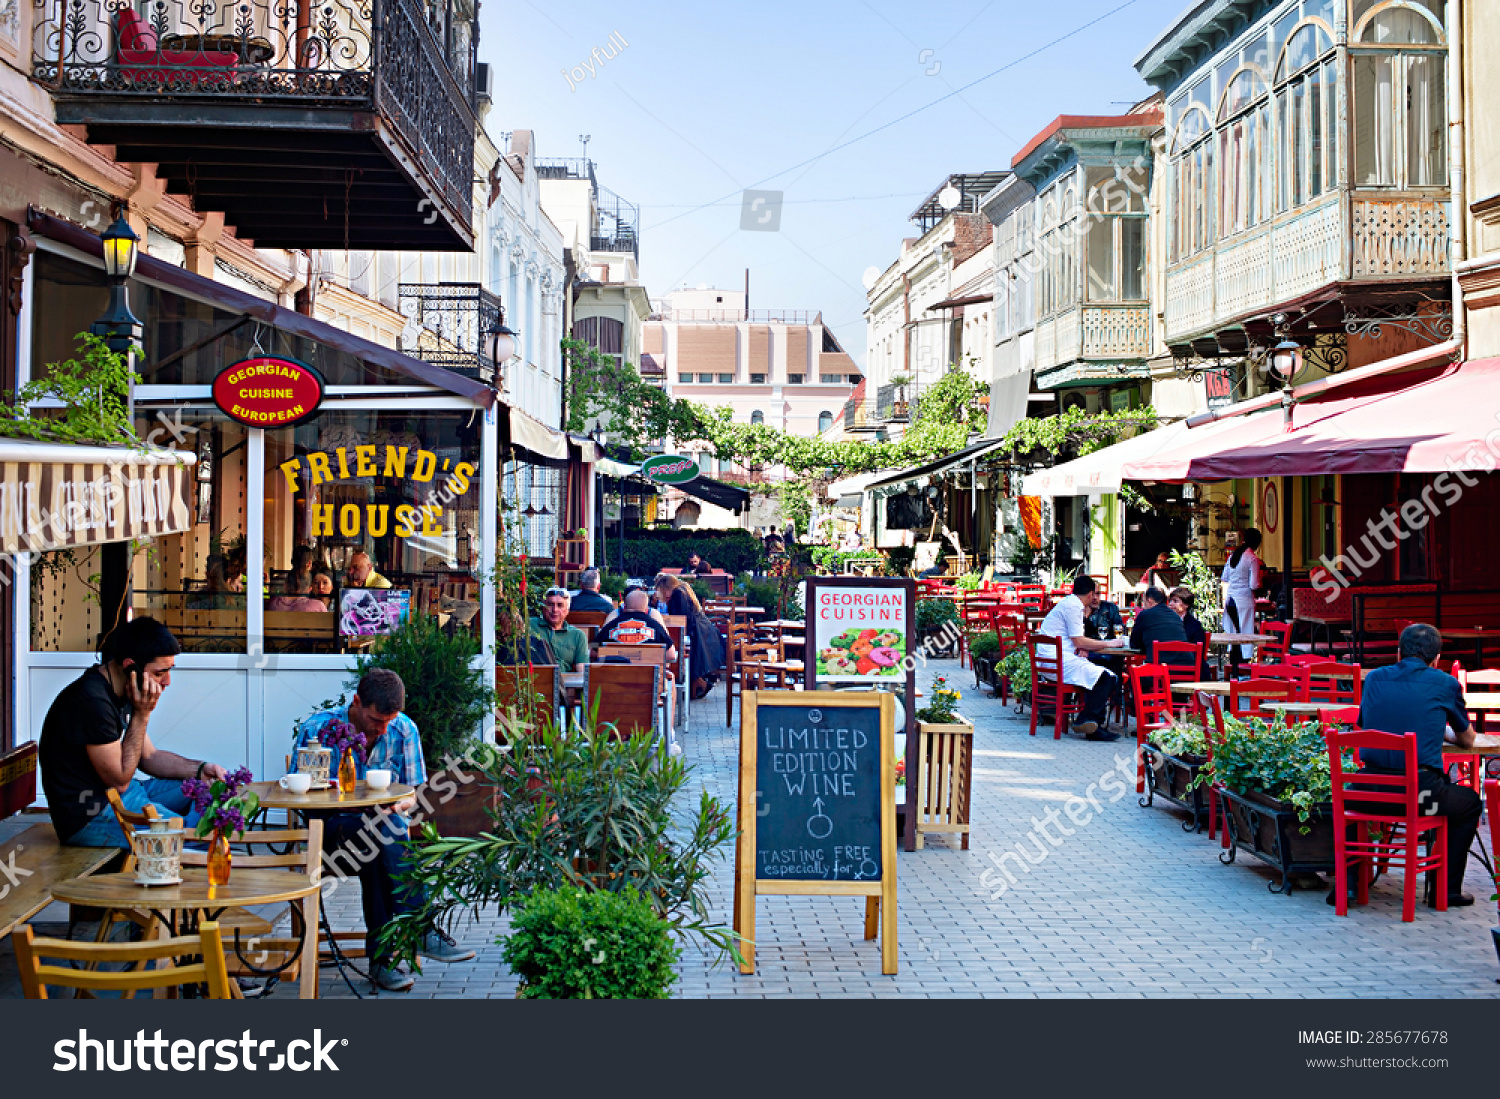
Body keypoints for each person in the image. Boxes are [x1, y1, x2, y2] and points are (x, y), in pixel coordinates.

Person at [293, 669, 476, 991]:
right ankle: (416, 929)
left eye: (390, 720)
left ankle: (385, 962)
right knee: (383, 835)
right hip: (331, 838)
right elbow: (302, 799)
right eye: (377, 720)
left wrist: (397, 806)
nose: (384, 728)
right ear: (357, 702)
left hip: (376, 842)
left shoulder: (404, 730)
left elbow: (413, 795)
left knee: (380, 840)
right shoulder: (318, 729)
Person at [39, 617, 228, 847]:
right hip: (92, 816)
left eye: (170, 671)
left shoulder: (123, 689)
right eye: (160, 673)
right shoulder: (92, 702)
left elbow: (149, 757)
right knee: (201, 834)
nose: (167, 681)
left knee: (211, 791)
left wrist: (200, 770)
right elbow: (119, 781)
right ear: (130, 667)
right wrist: (142, 715)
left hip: (126, 795)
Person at [1353, 623, 1481, 908]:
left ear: (1398, 653)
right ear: (1437, 659)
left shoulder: (1373, 679)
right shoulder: (1445, 683)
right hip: (1419, 799)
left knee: (1440, 794)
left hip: (1366, 794)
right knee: (1468, 803)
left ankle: (1351, 886)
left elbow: (1366, 725)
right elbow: (1468, 740)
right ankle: (1445, 890)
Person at [1036, 575, 1127, 741]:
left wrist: (1081, 646)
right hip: (1057, 662)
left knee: (1098, 675)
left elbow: (1073, 639)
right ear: (1091, 593)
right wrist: (1110, 644)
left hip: (1052, 660)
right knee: (1107, 677)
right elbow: (1078, 639)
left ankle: (1087, 720)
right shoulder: (1074, 607)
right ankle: (1090, 723)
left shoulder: (1068, 603)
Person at [655, 572, 725, 700]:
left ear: (666, 588)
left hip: (696, 632)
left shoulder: (678, 594)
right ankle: (699, 686)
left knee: (687, 658)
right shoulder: (683, 589)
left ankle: (700, 685)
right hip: (703, 630)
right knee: (689, 660)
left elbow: (681, 618)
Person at [598, 589, 679, 664]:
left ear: (624, 607)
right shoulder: (656, 626)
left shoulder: (611, 625)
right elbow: (671, 655)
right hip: (648, 677)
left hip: (615, 676)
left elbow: (593, 652)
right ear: (647, 609)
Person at [1220, 528, 1262, 662]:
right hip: (1244, 600)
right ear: (1257, 543)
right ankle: (1242, 669)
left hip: (1231, 600)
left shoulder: (1233, 556)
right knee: (1244, 636)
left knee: (1233, 636)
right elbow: (1254, 584)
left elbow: (1224, 577)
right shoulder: (1252, 558)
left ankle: (1233, 668)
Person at [529, 587, 589, 672]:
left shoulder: (577, 635)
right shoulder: (529, 625)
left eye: (560, 605)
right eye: (550, 604)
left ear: (567, 610)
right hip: (534, 680)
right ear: (543, 607)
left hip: (565, 682)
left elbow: (582, 671)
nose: (555, 610)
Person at [1130, 587, 1191, 666]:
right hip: (1185, 669)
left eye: (1143, 602)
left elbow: (1134, 644)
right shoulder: (1175, 616)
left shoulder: (1145, 615)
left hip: (1159, 672)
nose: (1143, 606)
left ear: (1149, 601)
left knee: (1132, 677)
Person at [1168, 586, 1209, 676]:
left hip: (1190, 669)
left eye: (1175, 601)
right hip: (1169, 667)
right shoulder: (1164, 623)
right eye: (1170, 601)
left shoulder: (1195, 626)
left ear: (1186, 605)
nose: (1170, 604)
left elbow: (1199, 653)